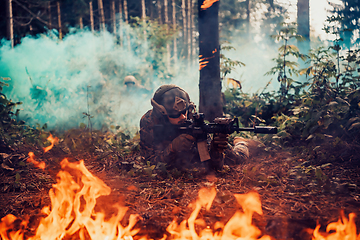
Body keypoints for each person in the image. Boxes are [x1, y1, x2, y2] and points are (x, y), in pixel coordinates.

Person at [139, 84, 249, 172]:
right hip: (172, 158)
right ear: (161, 113)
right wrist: (172, 148)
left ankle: (241, 143)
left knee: (237, 159)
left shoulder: (191, 115)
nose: (183, 117)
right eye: (175, 115)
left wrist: (215, 150)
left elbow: (213, 166)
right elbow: (151, 163)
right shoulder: (150, 122)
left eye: (184, 112)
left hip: (193, 152)